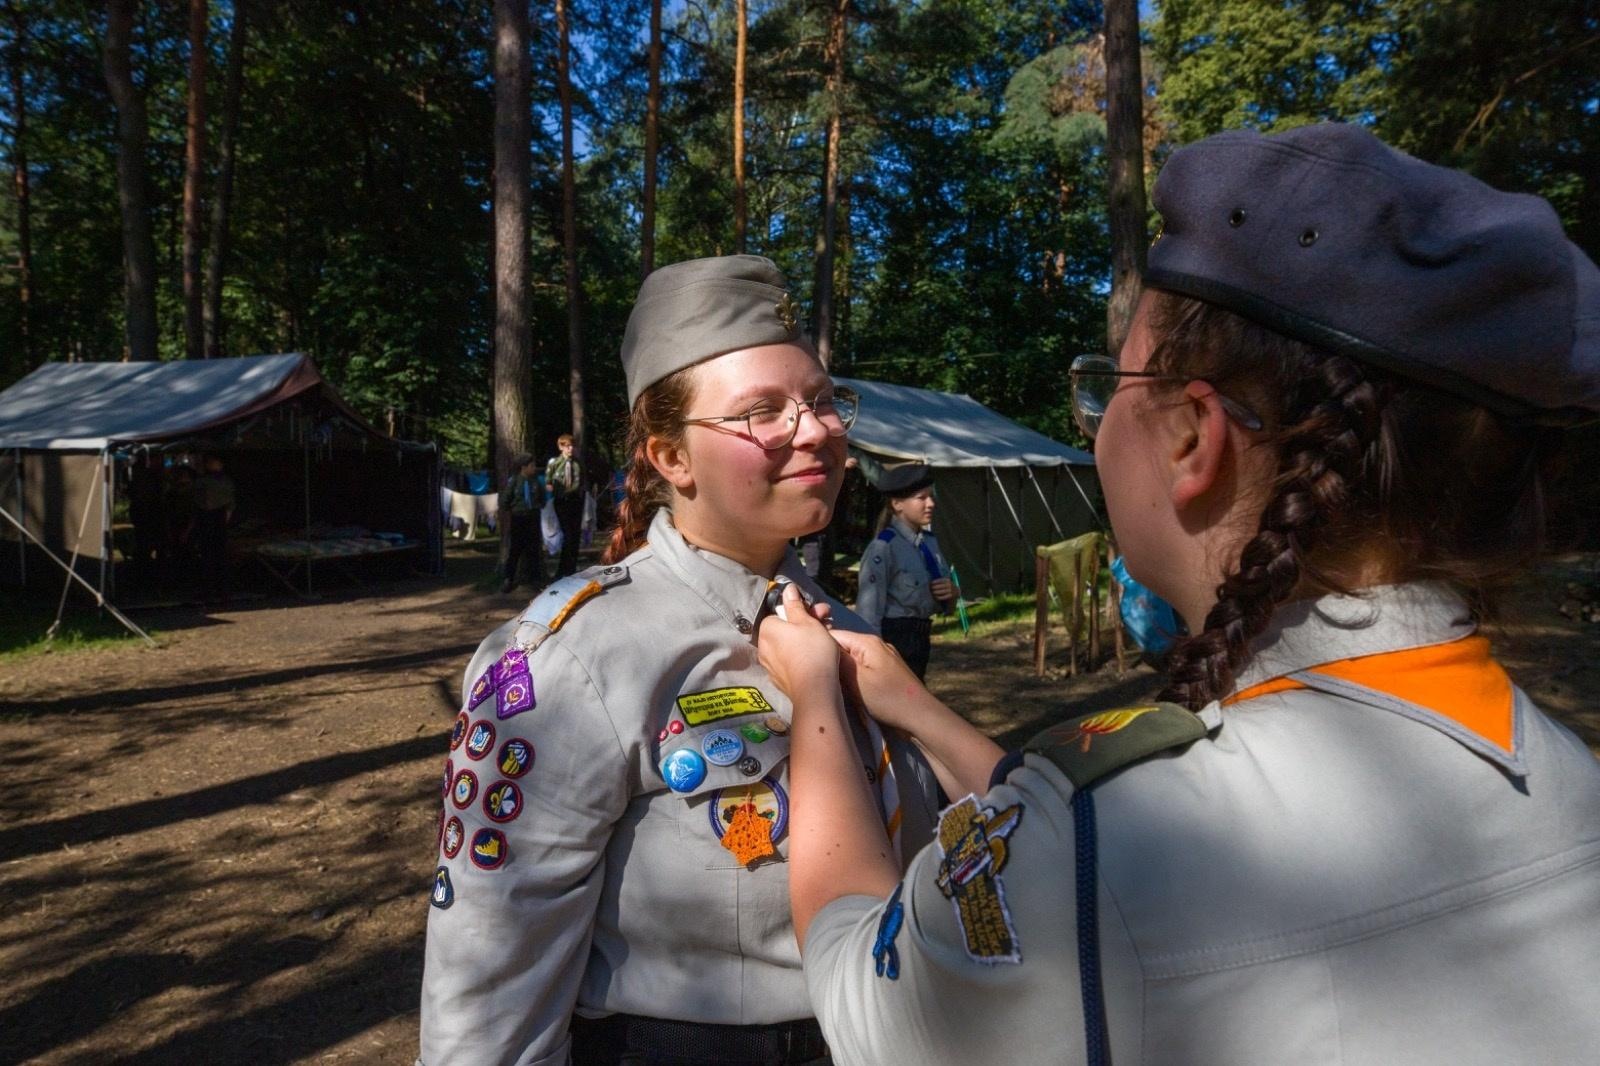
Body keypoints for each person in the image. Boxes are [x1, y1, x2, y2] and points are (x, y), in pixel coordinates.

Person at [755, 123, 1600, 1065]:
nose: (1096, 417)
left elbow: (861, 993)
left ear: (1195, 440)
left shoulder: (1100, 844)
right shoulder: (1570, 771)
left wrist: (817, 707)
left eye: (1107, 381)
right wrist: (919, 710)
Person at [419, 255, 956, 1066]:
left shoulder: (846, 625)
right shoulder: (571, 658)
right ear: (671, 458)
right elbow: (490, 976)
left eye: (819, 401)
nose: (814, 430)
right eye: (761, 413)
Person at [853, 464, 954, 679]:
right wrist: (874, 658)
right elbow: (868, 613)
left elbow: (947, 604)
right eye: (922, 498)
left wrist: (952, 593)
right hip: (895, 639)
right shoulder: (883, 548)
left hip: (921, 636)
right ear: (897, 504)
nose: (931, 504)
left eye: (931, 497)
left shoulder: (929, 544)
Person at [498, 452, 544, 594]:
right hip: (518, 519)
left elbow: (542, 498)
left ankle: (535, 580)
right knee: (515, 550)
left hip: (533, 518)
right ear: (524, 467)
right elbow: (505, 500)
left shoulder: (535, 481)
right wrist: (513, 510)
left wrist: (537, 507)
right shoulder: (514, 481)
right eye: (532, 465)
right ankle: (508, 579)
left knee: (533, 550)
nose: (534, 468)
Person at [191, 454, 235, 605]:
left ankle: (211, 591)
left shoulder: (203, 481)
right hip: (218, 519)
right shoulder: (226, 481)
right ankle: (221, 592)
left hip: (209, 519)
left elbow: (198, 501)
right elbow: (230, 506)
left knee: (209, 557)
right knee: (218, 557)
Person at [546, 432, 585, 577]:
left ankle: (571, 568)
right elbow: (549, 483)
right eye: (567, 446)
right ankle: (563, 570)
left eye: (572, 446)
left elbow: (581, 481)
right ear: (561, 447)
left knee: (575, 536)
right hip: (562, 502)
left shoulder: (577, 463)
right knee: (567, 535)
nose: (570, 449)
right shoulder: (555, 463)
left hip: (575, 501)